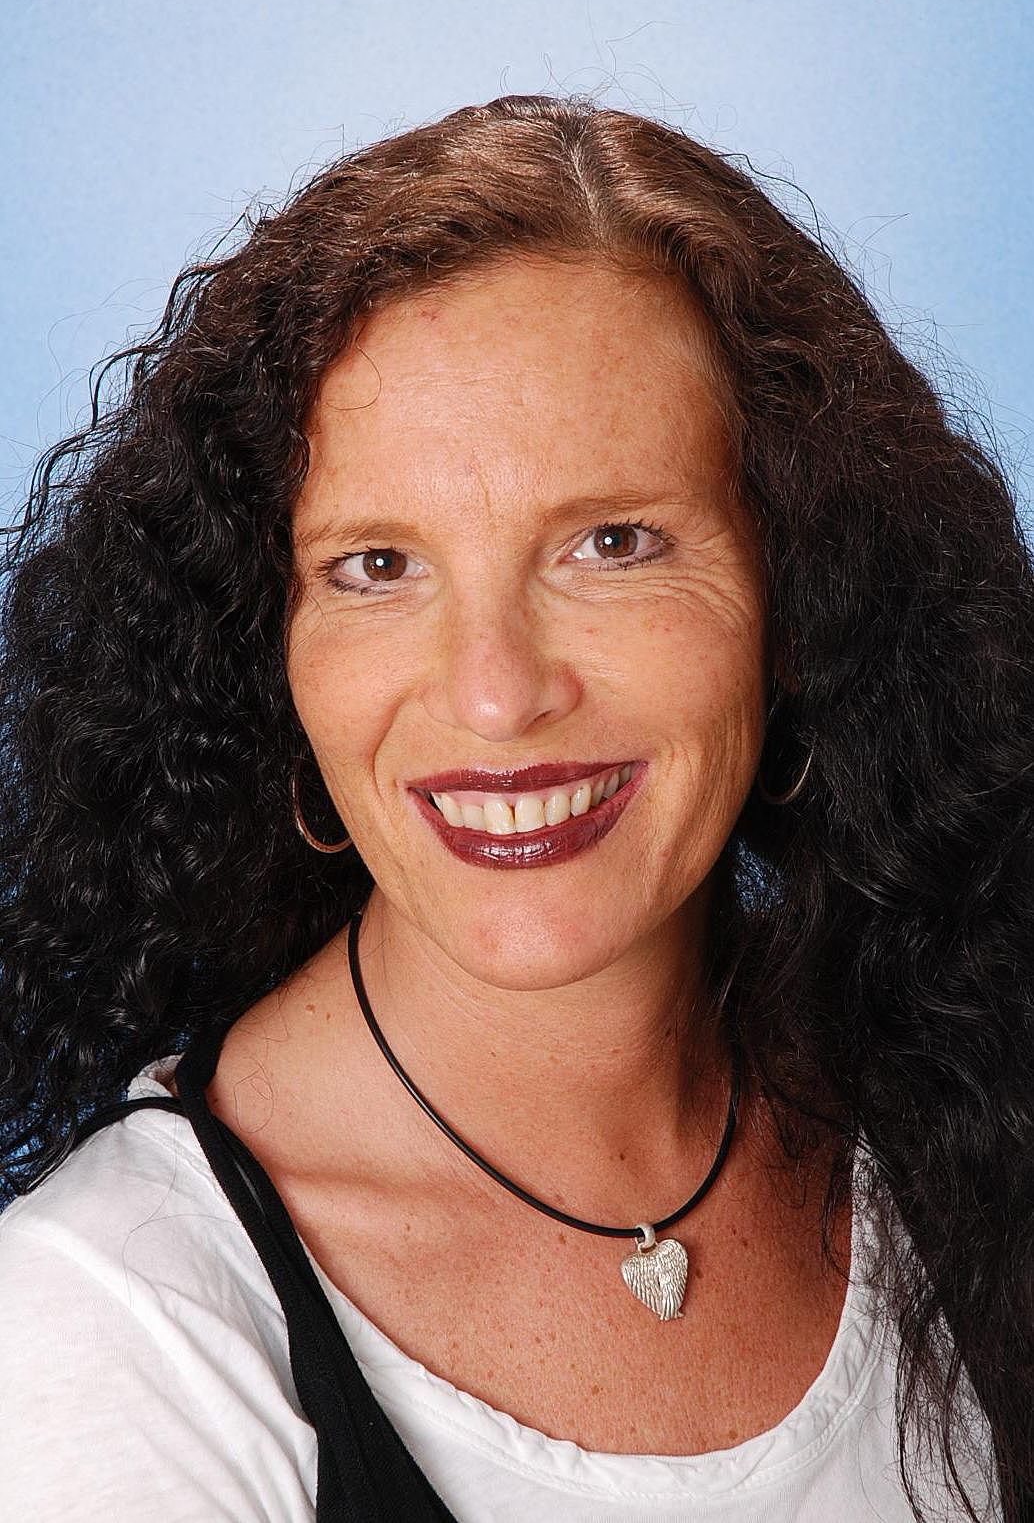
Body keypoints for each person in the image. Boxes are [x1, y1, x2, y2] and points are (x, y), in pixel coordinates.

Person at [0, 92, 1026, 1522]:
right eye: (375, 566)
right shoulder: (112, 1333)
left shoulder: (966, 1104)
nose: (494, 695)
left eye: (614, 543)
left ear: (800, 595)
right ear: (267, 644)